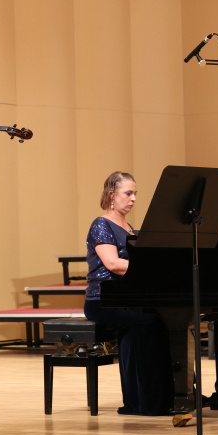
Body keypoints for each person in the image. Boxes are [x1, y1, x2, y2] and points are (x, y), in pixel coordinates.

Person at [83, 171, 175, 416]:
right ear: (112, 194)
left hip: (125, 298)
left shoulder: (129, 227)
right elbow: (113, 264)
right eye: (128, 193)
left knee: (162, 321)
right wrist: (153, 271)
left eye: (135, 194)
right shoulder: (101, 224)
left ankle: (165, 396)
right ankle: (148, 402)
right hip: (102, 300)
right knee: (150, 323)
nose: (133, 199)